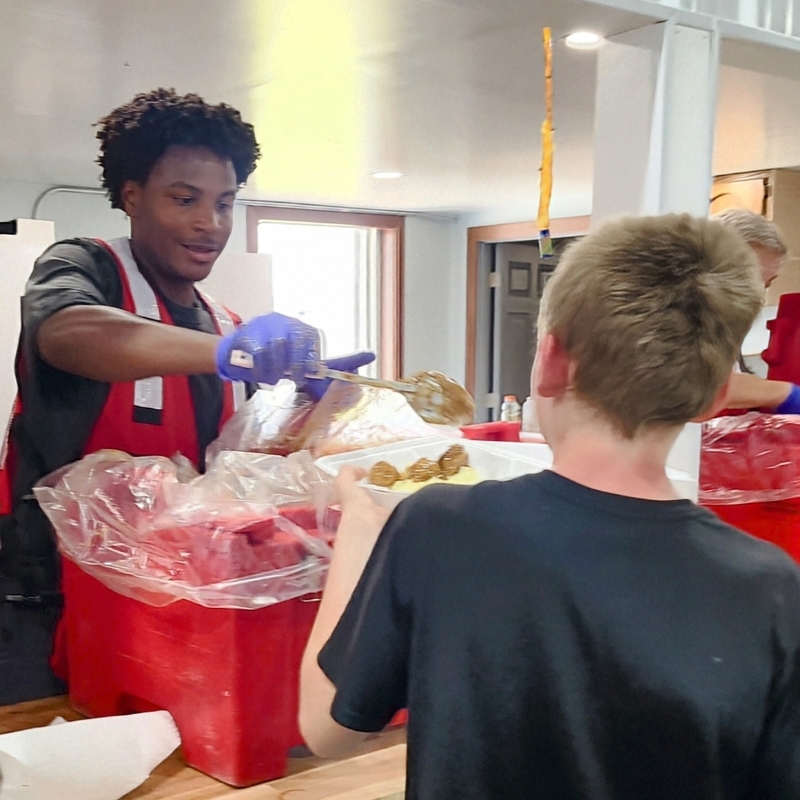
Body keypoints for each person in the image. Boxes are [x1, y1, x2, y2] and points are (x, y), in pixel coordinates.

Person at [299, 214, 800, 799]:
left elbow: (325, 728)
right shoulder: (773, 589)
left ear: (550, 361)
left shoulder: (439, 526)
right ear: (715, 399)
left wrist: (361, 522)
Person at [0, 88, 372, 704]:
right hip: (42, 602)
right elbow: (66, 333)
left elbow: (236, 471)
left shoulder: (223, 322)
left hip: (158, 604)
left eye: (224, 204)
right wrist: (227, 356)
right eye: (184, 200)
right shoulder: (85, 268)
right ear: (131, 196)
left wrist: (311, 404)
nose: (211, 224)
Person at [712, 208, 800, 413]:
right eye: (749, 279)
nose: (759, 297)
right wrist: (786, 395)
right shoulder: (670, 314)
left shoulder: (724, 326)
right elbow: (699, 387)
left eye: (766, 285)